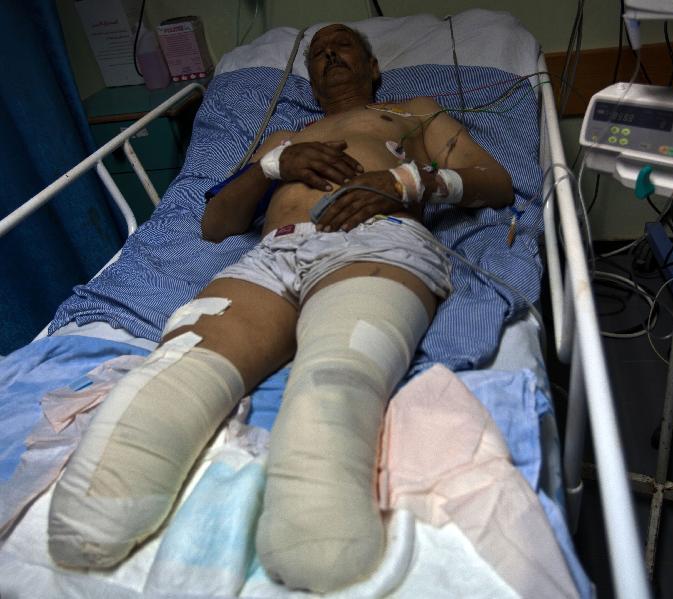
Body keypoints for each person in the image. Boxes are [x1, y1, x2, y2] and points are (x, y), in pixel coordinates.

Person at [47, 24, 514, 593]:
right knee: (183, 366)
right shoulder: (284, 137)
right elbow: (215, 223)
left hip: (377, 236)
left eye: (343, 47)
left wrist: (405, 182)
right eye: (317, 54)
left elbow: (495, 183)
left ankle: (317, 513)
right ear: (310, 81)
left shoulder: (410, 114)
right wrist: (275, 167)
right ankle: (108, 494)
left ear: (371, 68)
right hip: (274, 252)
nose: (329, 56)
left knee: (338, 373)